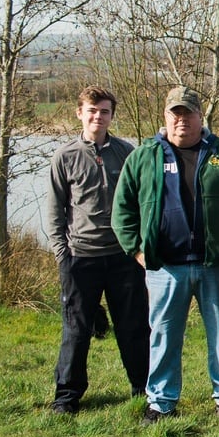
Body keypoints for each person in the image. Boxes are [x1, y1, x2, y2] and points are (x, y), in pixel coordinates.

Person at [113, 87, 219, 425]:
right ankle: (161, 402)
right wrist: (139, 250)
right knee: (163, 335)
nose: (181, 119)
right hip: (165, 268)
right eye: (175, 113)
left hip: (216, 265)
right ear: (165, 116)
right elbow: (122, 210)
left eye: (187, 113)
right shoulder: (145, 156)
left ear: (200, 116)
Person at [44, 86, 149, 414]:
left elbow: (139, 204)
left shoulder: (126, 152)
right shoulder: (65, 156)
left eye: (104, 111)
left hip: (122, 257)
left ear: (111, 115)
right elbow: (54, 209)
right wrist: (63, 254)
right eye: (91, 111)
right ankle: (67, 397)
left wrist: (138, 247)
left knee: (133, 327)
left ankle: (143, 389)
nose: (97, 117)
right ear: (80, 113)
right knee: (76, 330)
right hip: (81, 258)